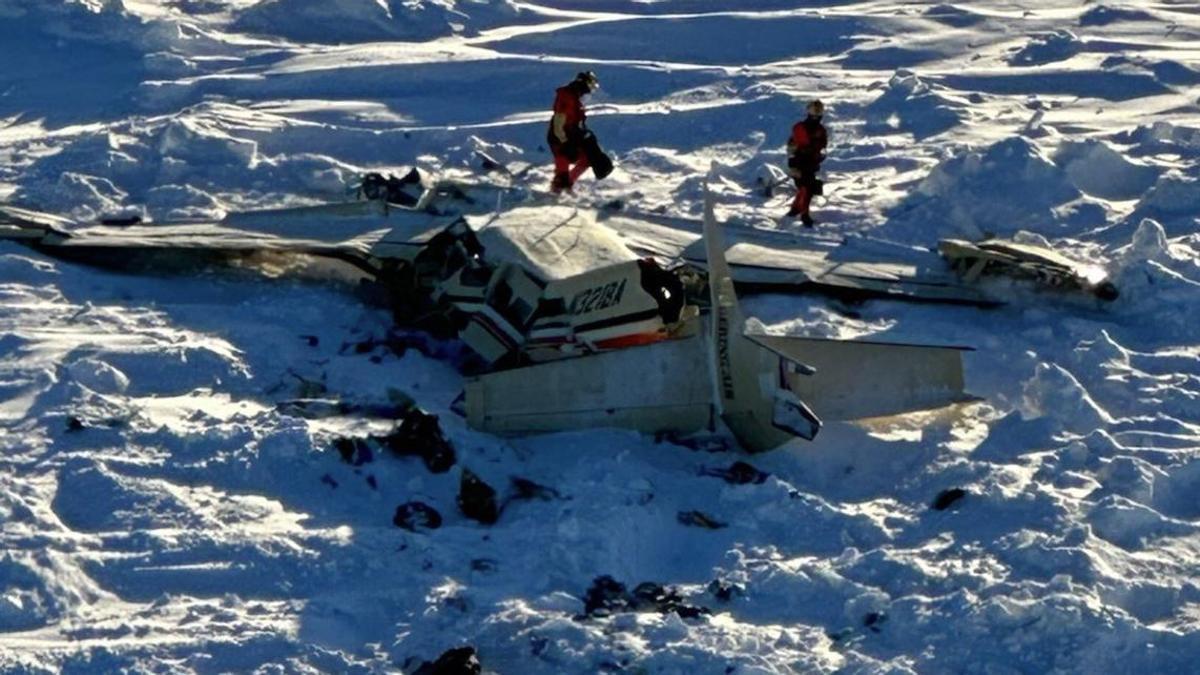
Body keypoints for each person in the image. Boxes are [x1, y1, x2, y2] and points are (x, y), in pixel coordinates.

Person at [547, 71, 600, 193]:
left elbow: (577, 121)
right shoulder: (567, 97)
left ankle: (567, 185)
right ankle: (558, 190)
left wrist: (585, 135)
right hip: (560, 138)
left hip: (572, 136)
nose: (591, 91)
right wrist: (565, 142)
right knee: (563, 167)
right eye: (591, 87)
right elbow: (558, 123)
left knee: (588, 158)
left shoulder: (576, 98)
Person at [785, 99, 828, 226]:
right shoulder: (800, 127)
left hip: (812, 162)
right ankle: (804, 214)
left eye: (818, 115)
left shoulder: (821, 130)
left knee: (805, 188)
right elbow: (796, 146)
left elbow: (823, 145)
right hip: (799, 162)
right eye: (814, 114)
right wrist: (794, 162)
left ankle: (795, 209)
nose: (816, 117)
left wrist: (819, 155)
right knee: (806, 188)